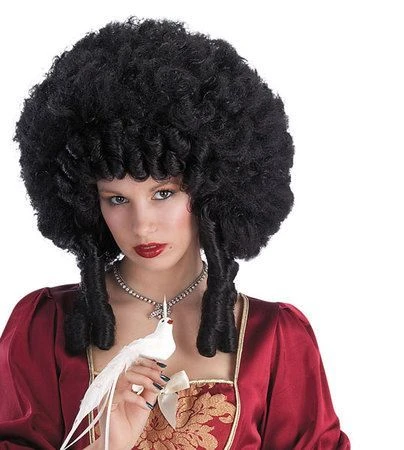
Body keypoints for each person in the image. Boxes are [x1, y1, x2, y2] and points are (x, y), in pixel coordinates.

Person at [0, 16, 350, 449]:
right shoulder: (45, 328)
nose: (142, 224)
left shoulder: (275, 339)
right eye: (117, 199)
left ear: (212, 189)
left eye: (163, 193)